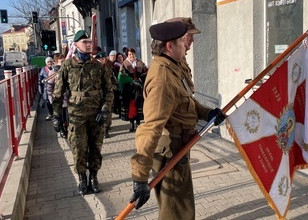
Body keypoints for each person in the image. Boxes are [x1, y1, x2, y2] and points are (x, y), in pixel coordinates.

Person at [129, 21, 226, 219]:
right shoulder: (162, 78)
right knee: (175, 211)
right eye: (183, 41)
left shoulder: (174, 66)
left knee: (181, 205)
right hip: (169, 151)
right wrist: (140, 176)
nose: (188, 45)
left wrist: (207, 113)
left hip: (179, 144)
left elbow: (186, 101)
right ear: (169, 46)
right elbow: (151, 128)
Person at [52, 30, 114, 195]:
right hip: (76, 115)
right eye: (85, 42)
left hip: (96, 115)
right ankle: (82, 178)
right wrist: (56, 116)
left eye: (89, 41)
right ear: (76, 45)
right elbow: (58, 93)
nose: (88, 44)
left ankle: (94, 177)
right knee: (79, 148)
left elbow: (109, 91)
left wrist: (105, 110)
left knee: (96, 148)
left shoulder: (99, 67)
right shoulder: (67, 66)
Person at [120, 47, 148, 131]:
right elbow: (121, 76)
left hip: (139, 87)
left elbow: (146, 72)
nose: (131, 55)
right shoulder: (124, 64)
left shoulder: (140, 63)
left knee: (139, 105)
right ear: (127, 55)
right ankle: (132, 124)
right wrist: (131, 80)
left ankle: (139, 123)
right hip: (129, 88)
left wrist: (140, 79)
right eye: (129, 54)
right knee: (131, 106)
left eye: (132, 54)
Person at [95, 51, 117, 138]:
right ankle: (99, 130)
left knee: (107, 113)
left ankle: (106, 130)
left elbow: (115, 82)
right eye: (99, 59)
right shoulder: (93, 70)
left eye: (103, 58)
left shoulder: (109, 70)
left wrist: (111, 88)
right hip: (96, 96)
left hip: (107, 96)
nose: (101, 60)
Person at [46, 54, 68, 138]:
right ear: (56, 62)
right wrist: (51, 99)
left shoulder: (67, 70)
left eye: (64, 61)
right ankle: (62, 130)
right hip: (59, 99)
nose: (63, 63)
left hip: (68, 98)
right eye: (61, 61)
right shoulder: (53, 72)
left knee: (68, 117)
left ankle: (67, 129)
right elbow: (49, 86)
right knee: (60, 116)